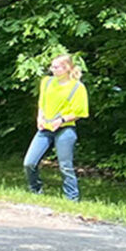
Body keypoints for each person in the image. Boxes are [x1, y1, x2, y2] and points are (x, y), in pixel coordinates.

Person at [25, 52, 89, 201]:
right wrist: (39, 118)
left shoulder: (77, 87)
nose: (53, 70)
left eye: (57, 67)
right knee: (29, 162)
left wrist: (61, 120)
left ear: (67, 68)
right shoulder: (46, 82)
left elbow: (81, 111)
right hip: (45, 128)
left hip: (65, 129)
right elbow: (42, 102)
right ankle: (35, 191)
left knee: (65, 166)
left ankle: (72, 199)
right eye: (52, 66)